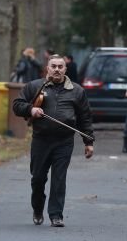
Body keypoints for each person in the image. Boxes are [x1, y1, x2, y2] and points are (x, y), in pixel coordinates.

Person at [13, 54, 95, 227]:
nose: (57, 69)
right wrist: (31, 110)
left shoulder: (77, 91)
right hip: (41, 140)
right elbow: (17, 105)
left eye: (60, 66)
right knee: (37, 179)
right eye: (54, 66)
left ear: (65, 69)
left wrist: (89, 142)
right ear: (47, 68)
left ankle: (56, 215)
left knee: (59, 178)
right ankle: (37, 208)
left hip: (64, 141)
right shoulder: (35, 86)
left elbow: (85, 118)